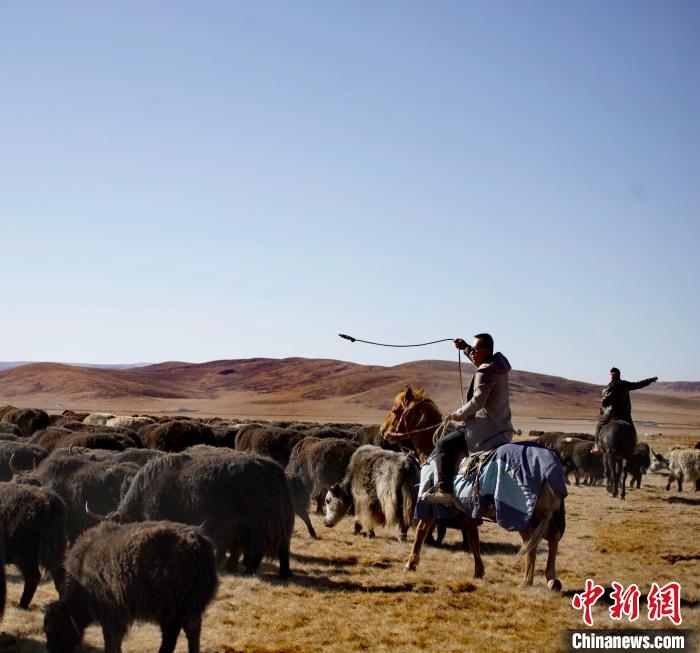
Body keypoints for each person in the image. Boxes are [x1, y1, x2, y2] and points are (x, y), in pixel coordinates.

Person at [424, 333, 514, 506]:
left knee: (442, 444)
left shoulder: (485, 371)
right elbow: (480, 361)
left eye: (475, 349)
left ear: (487, 349)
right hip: (501, 428)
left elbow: (478, 401)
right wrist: (465, 347)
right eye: (471, 349)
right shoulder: (498, 367)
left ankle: (444, 491)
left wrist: (458, 414)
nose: (472, 352)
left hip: (483, 430)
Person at [591, 367, 658, 453]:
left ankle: (597, 446)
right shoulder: (625, 384)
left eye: (611, 375)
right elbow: (639, 384)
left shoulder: (609, 387)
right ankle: (634, 447)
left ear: (611, 376)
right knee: (632, 430)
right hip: (625, 414)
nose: (611, 377)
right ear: (619, 375)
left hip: (611, 414)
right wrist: (650, 380)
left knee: (599, 425)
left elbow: (604, 403)